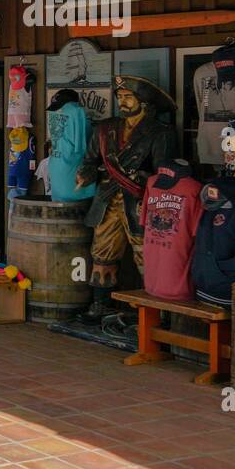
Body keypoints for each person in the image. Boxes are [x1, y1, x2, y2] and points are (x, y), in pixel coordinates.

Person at [76, 75, 177, 320]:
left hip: (140, 201)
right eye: (120, 97)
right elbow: (90, 159)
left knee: (147, 256)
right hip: (107, 201)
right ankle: (101, 306)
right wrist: (85, 174)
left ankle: (153, 313)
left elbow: (164, 173)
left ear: (144, 102)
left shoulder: (160, 133)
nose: (123, 101)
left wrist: (142, 184)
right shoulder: (105, 128)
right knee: (102, 253)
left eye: (128, 97)